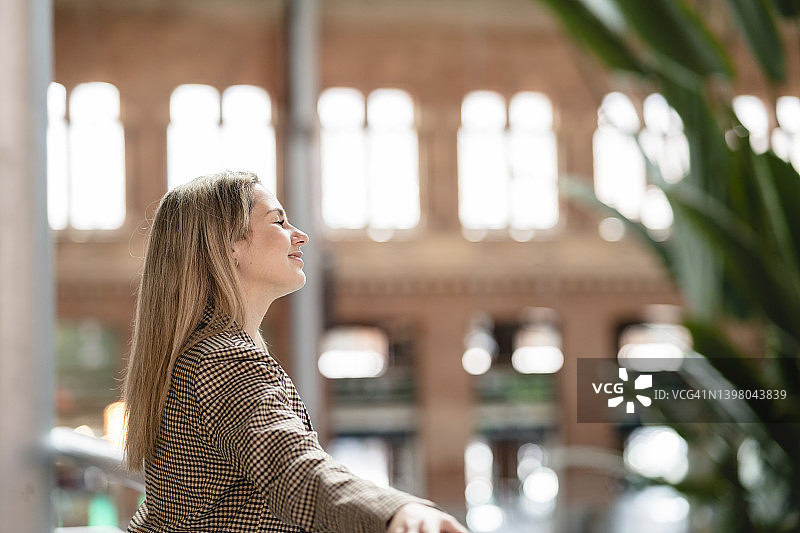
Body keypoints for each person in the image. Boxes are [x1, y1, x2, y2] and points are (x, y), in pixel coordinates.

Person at [123, 171, 469, 533]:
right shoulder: (223, 361)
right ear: (230, 245)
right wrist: (397, 512)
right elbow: (295, 471)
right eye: (279, 221)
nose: (300, 235)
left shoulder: (196, 353)